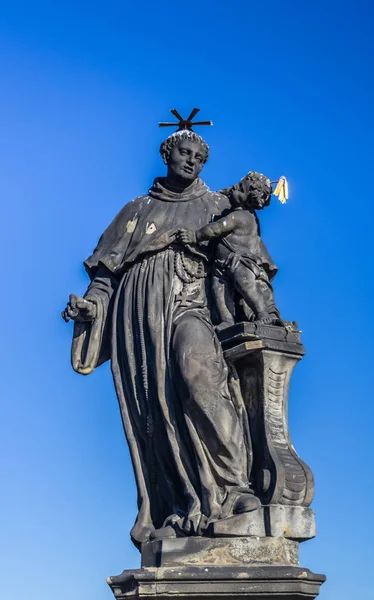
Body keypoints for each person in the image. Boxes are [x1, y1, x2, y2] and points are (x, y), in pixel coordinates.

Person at [62, 129, 260, 548]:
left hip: (191, 304)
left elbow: (245, 256)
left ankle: (235, 488)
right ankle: (182, 501)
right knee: (157, 409)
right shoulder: (136, 211)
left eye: (198, 158)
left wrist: (259, 306)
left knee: (200, 378)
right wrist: (91, 307)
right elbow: (105, 276)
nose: (190, 162)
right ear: (167, 154)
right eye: (184, 153)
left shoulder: (215, 205)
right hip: (138, 320)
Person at [177, 171, 282, 329]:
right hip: (222, 265)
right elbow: (228, 194)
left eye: (239, 188)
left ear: (249, 196)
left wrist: (195, 236)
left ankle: (263, 314)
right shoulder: (243, 213)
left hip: (240, 263)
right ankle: (227, 320)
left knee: (247, 286)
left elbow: (216, 229)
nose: (233, 188)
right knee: (218, 291)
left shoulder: (241, 216)